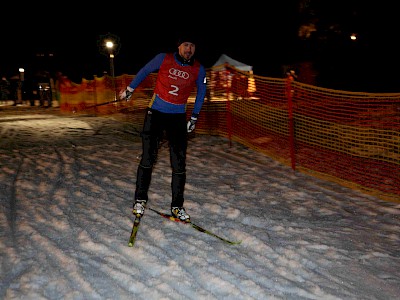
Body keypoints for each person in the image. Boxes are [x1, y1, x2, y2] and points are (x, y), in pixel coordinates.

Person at [119, 34, 207, 222]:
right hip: (156, 114)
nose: (189, 49)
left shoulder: (198, 69)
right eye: (185, 45)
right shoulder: (163, 58)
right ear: (179, 46)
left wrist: (194, 117)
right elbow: (144, 70)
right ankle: (140, 200)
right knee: (148, 157)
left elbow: (202, 92)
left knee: (179, 163)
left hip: (177, 117)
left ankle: (177, 206)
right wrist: (130, 89)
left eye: (192, 45)